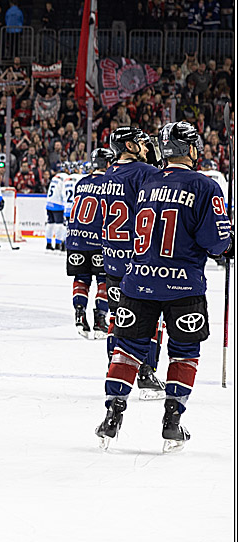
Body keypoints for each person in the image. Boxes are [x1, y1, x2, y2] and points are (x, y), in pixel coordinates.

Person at [96, 122, 233, 452]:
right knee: (185, 352)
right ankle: (172, 421)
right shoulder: (205, 185)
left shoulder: (147, 183)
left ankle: (112, 416)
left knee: (127, 349)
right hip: (183, 287)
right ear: (188, 149)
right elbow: (216, 243)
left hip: (138, 281)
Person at [98, 126, 166, 398]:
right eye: (142, 143)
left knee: (118, 316)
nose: (147, 147)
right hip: (139, 259)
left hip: (113, 259)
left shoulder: (108, 174)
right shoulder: (144, 172)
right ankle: (146, 372)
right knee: (152, 317)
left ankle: (114, 365)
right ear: (128, 146)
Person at [65, 149, 113, 340]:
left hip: (75, 238)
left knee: (81, 277)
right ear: (108, 164)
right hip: (98, 239)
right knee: (104, 279)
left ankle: (79, 314)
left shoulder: (81, 182)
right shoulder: (110, 184)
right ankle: (100, 319)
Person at [45, 162, 69, 251]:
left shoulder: (55, 176)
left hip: (49, 202)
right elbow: (64, 192)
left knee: (50, 223)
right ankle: (58, 244)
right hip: (58, 203)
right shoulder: (66, 177)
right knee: (60, 225)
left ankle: (48, 243)